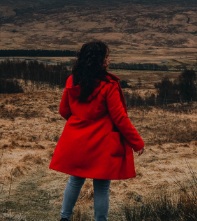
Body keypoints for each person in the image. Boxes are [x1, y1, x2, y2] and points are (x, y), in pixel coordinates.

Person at [49, 41, 145, 221]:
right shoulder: (108, 85)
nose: (109, 60)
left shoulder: (72, 80)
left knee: (75, 180)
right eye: (106, 56)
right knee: (101, 187)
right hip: (101, 145)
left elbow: (64, 111)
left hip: (76, 141)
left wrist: (79, 123)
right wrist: (137, 142)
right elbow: (120, 118)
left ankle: (64, 218)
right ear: (99, 60)